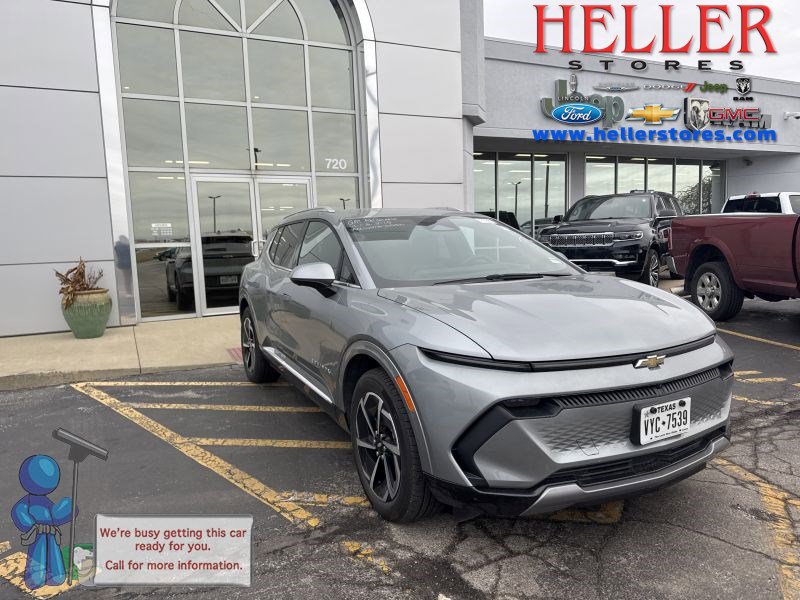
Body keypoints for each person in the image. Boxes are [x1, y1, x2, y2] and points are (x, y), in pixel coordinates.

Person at [10, 455, 75, 590]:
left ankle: (57, 575)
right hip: (38, 533)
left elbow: (55, 514)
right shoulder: (27, 502)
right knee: (38, 553)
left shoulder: (46, 503)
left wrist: (68, 508)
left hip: (50, 533)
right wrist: (29, 524)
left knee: (53, 553)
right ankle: (36, 578)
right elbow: (20, 511)